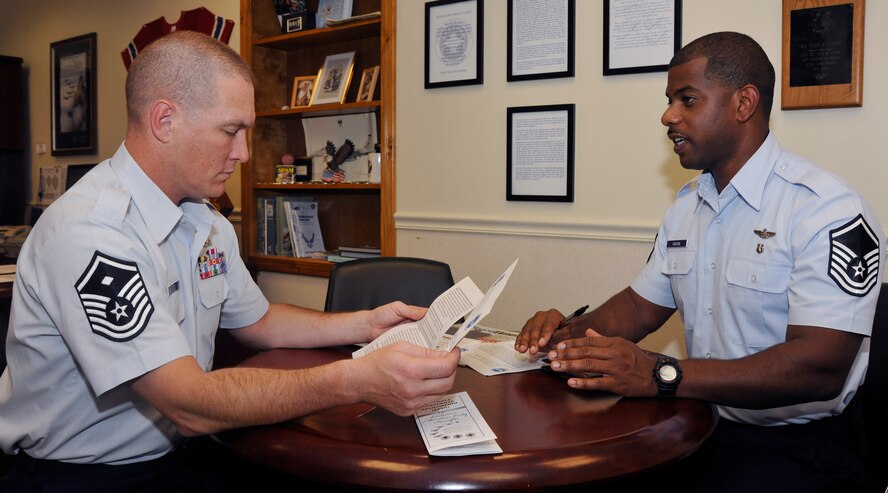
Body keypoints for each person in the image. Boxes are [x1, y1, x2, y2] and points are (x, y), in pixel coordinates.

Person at [0, 31, 460, 491]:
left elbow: (258, 321)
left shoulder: (204, 219)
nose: (242, 153)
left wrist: (366, 325)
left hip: (181, 452)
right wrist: (356, 380)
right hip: (83, 477)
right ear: (165, 120)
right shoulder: (92, 233)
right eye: (230, 130)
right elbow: (190, 404)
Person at [515, 32, 883, 492]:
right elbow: (637, 308)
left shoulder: (824, 209)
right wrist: (566, 338)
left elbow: (820, 366)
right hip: (695, 421)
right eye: (670, 101)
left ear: (743, 103)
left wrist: (660, 373)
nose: (668, 116)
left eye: (687, 100)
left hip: (798, 446)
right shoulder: (688, 206)